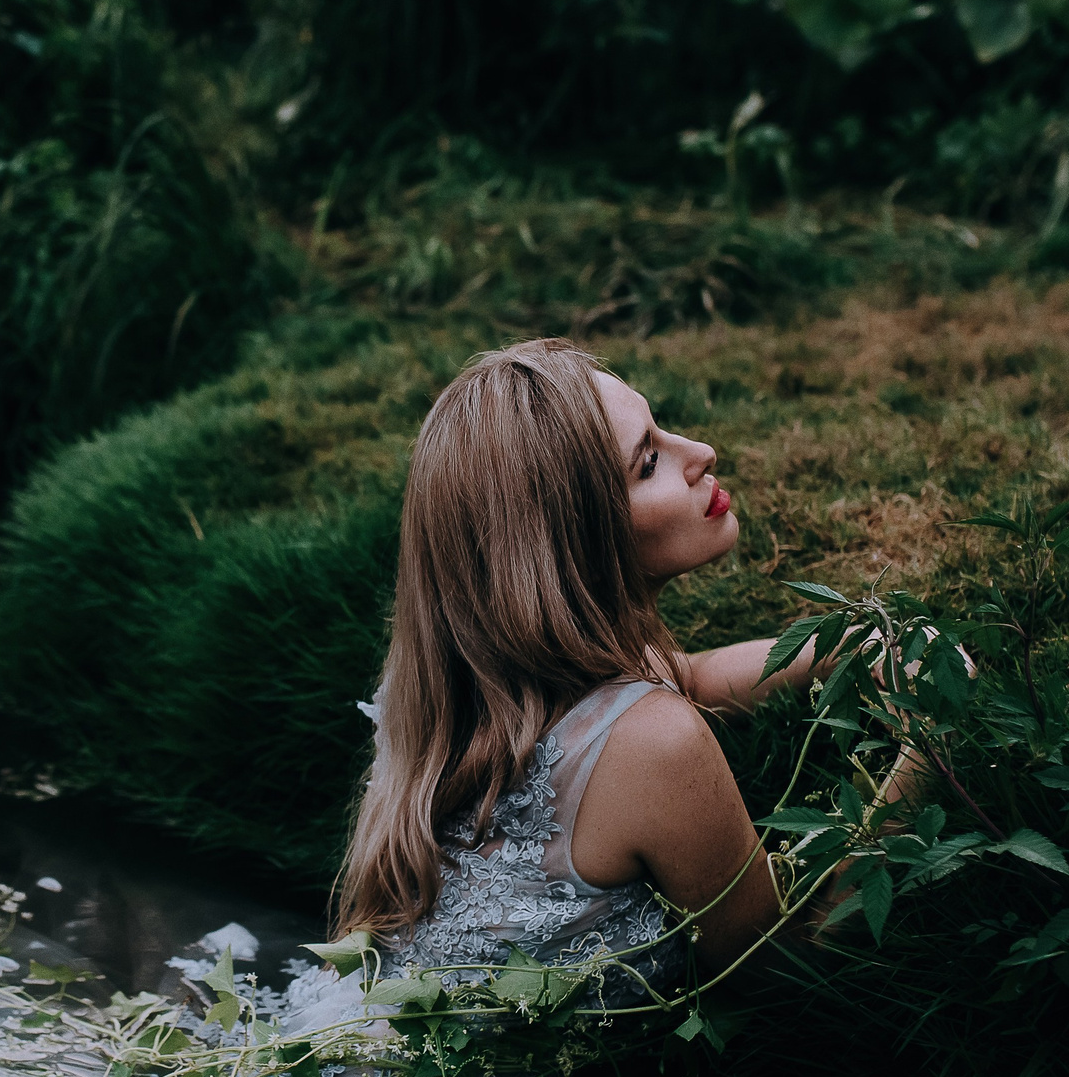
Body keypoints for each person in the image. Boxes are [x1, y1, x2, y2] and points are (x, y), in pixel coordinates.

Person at [337, 337, 841, 1001]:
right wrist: (922, 765)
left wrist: (842, 643)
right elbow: (778, 975)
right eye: (650, 462)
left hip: (338, 1036)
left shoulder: (443, 693)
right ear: (573, 543)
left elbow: (683, 672)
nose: (703, 453)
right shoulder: (658, 742)